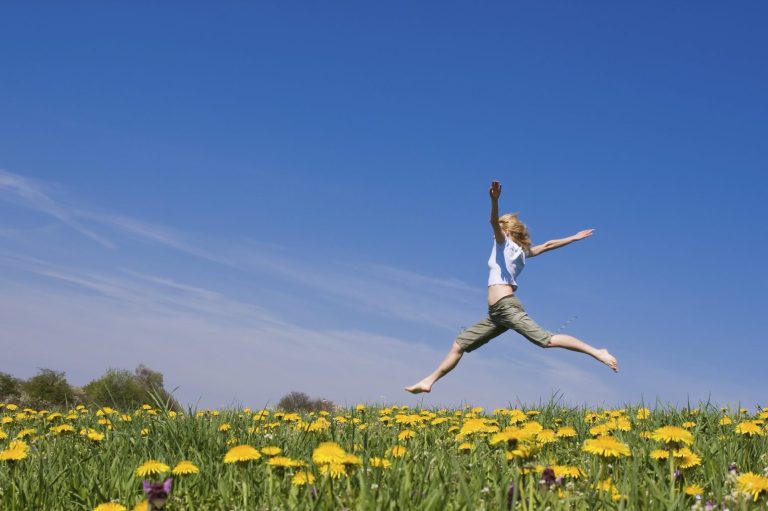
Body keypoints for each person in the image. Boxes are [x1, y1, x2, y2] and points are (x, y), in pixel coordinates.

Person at [405, 180, 618, 394]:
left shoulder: (504, 243)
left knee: (547, 340)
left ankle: (597, 352)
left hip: (507, 308)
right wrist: (573, 237)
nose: (494, 231)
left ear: (506, 230)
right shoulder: (522, 251)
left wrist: (494, 200)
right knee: (459, 345)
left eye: (500, 227)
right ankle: (429, 382)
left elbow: (493, 223)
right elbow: (547, 245)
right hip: (496, 314)